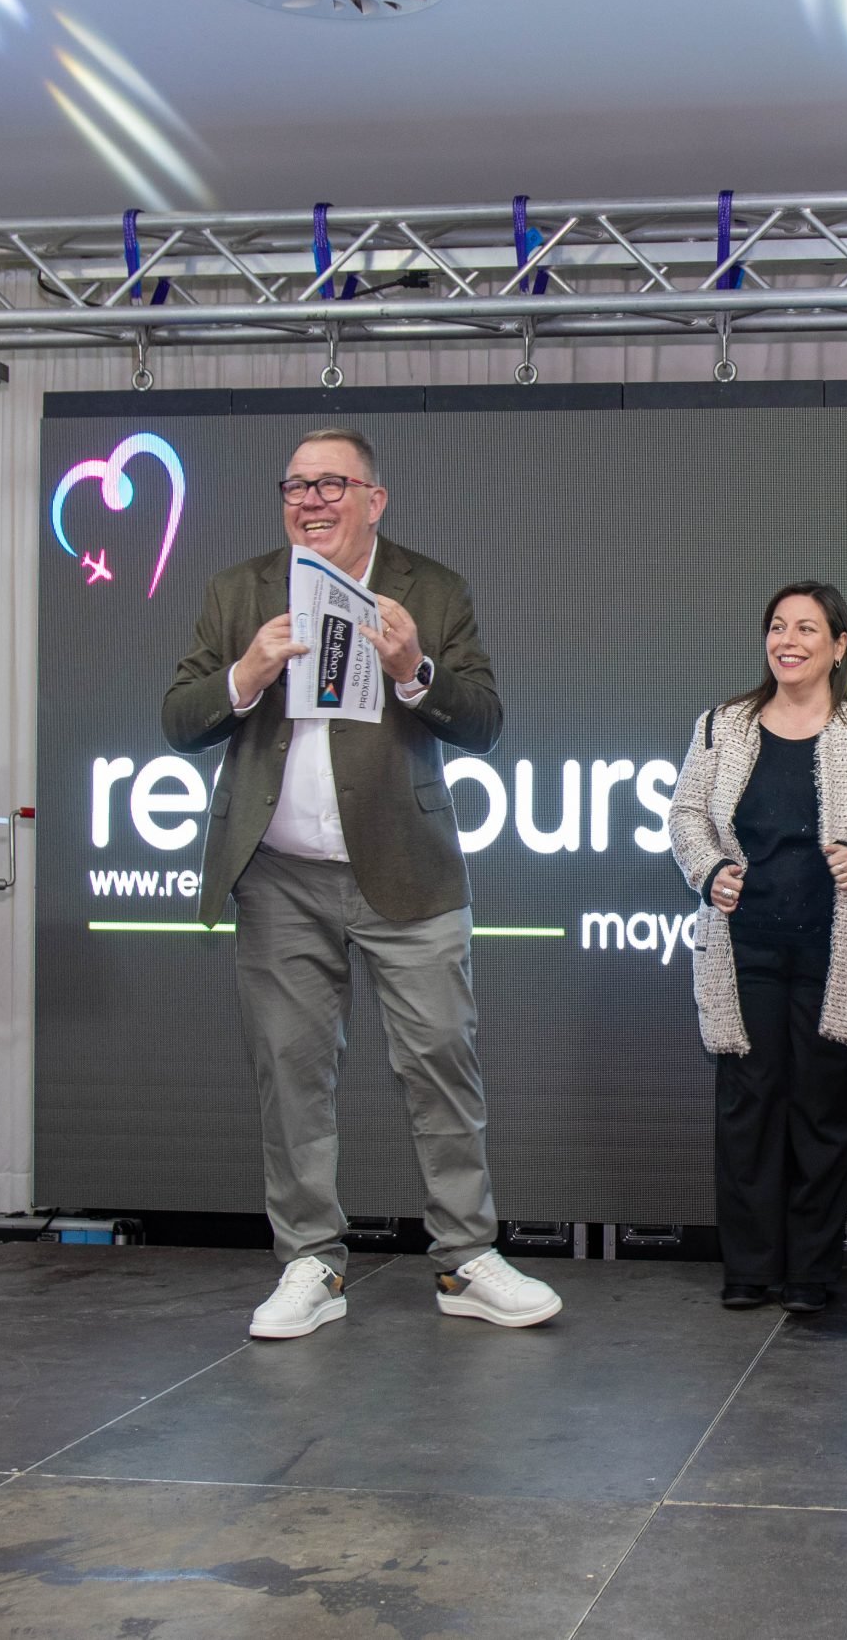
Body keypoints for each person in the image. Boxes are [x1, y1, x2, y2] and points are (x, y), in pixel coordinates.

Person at [162, 426, 562, 1340]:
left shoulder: (432, 589)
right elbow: (180, 719)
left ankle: (465, 1258)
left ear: (373, 501)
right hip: (277, 876)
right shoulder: (239, 591)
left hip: (407, 869)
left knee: (442, 1064)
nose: (311, 500)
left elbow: (484, 721)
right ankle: (309, 1260)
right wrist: (246, 673)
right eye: (296, 485)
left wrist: (414, 670)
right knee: (291, 1074)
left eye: (331, 484)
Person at [670, 583, 847, 1313]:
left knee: (825, 1108)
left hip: (835, 949)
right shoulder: (722, 726)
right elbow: (686, 814)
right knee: (747, 1107)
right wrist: (708, 869)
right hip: (743, 947)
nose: (788, 640)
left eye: (807, 629)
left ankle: (811, 1272)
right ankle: (749, 1269)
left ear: (839, 646)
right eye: (778, 626)